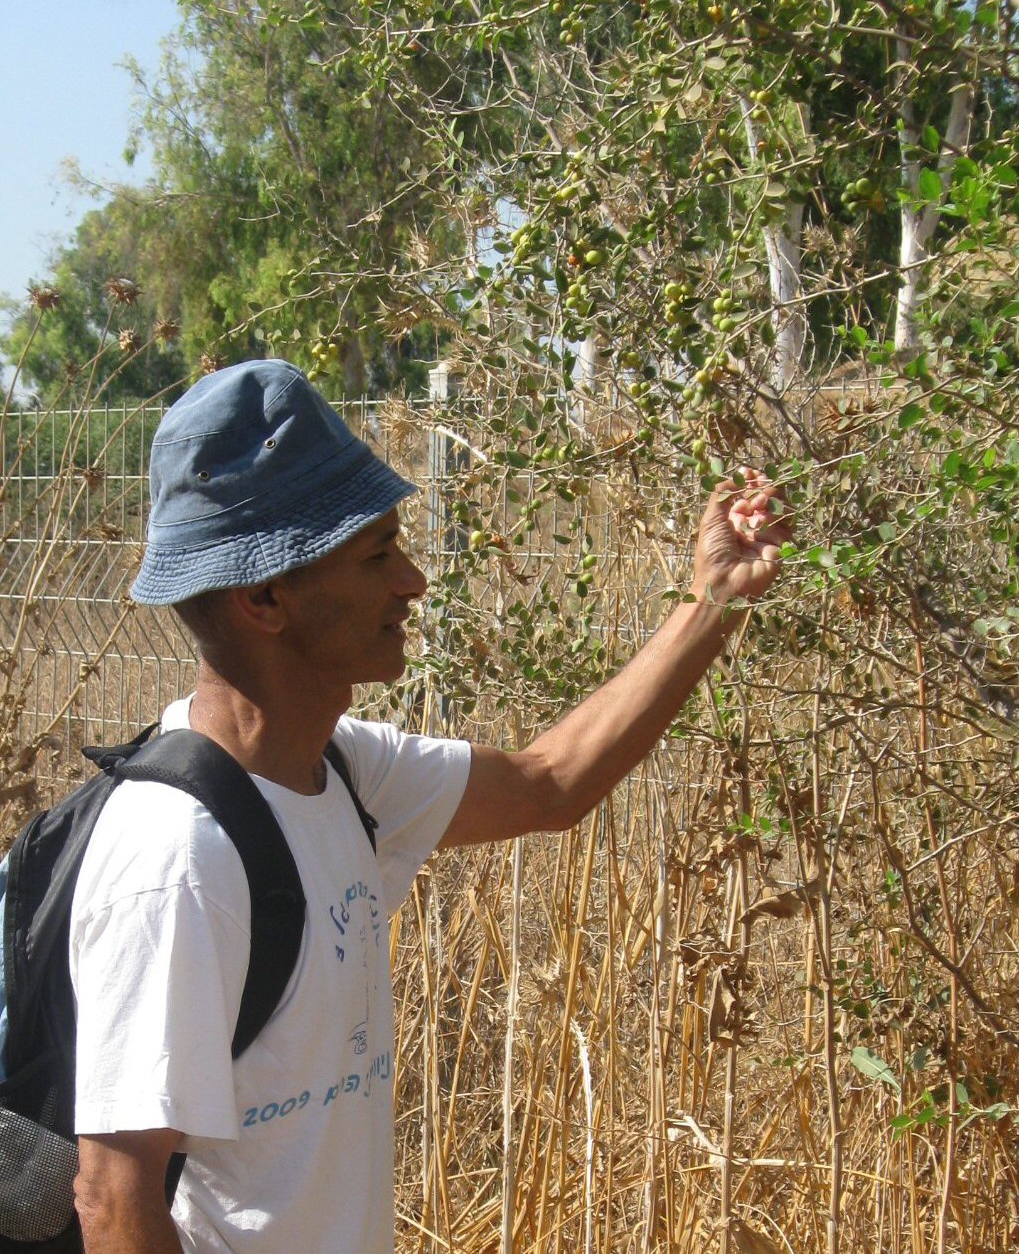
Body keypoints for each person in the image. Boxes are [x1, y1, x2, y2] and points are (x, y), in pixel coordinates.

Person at [69, 359, 789, 1253]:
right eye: (376, 555)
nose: (412, 581)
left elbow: (547, 782)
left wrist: (711, 599)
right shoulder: (180, 859)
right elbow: (113, 1200)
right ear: (264, 599)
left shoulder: (341, 768)